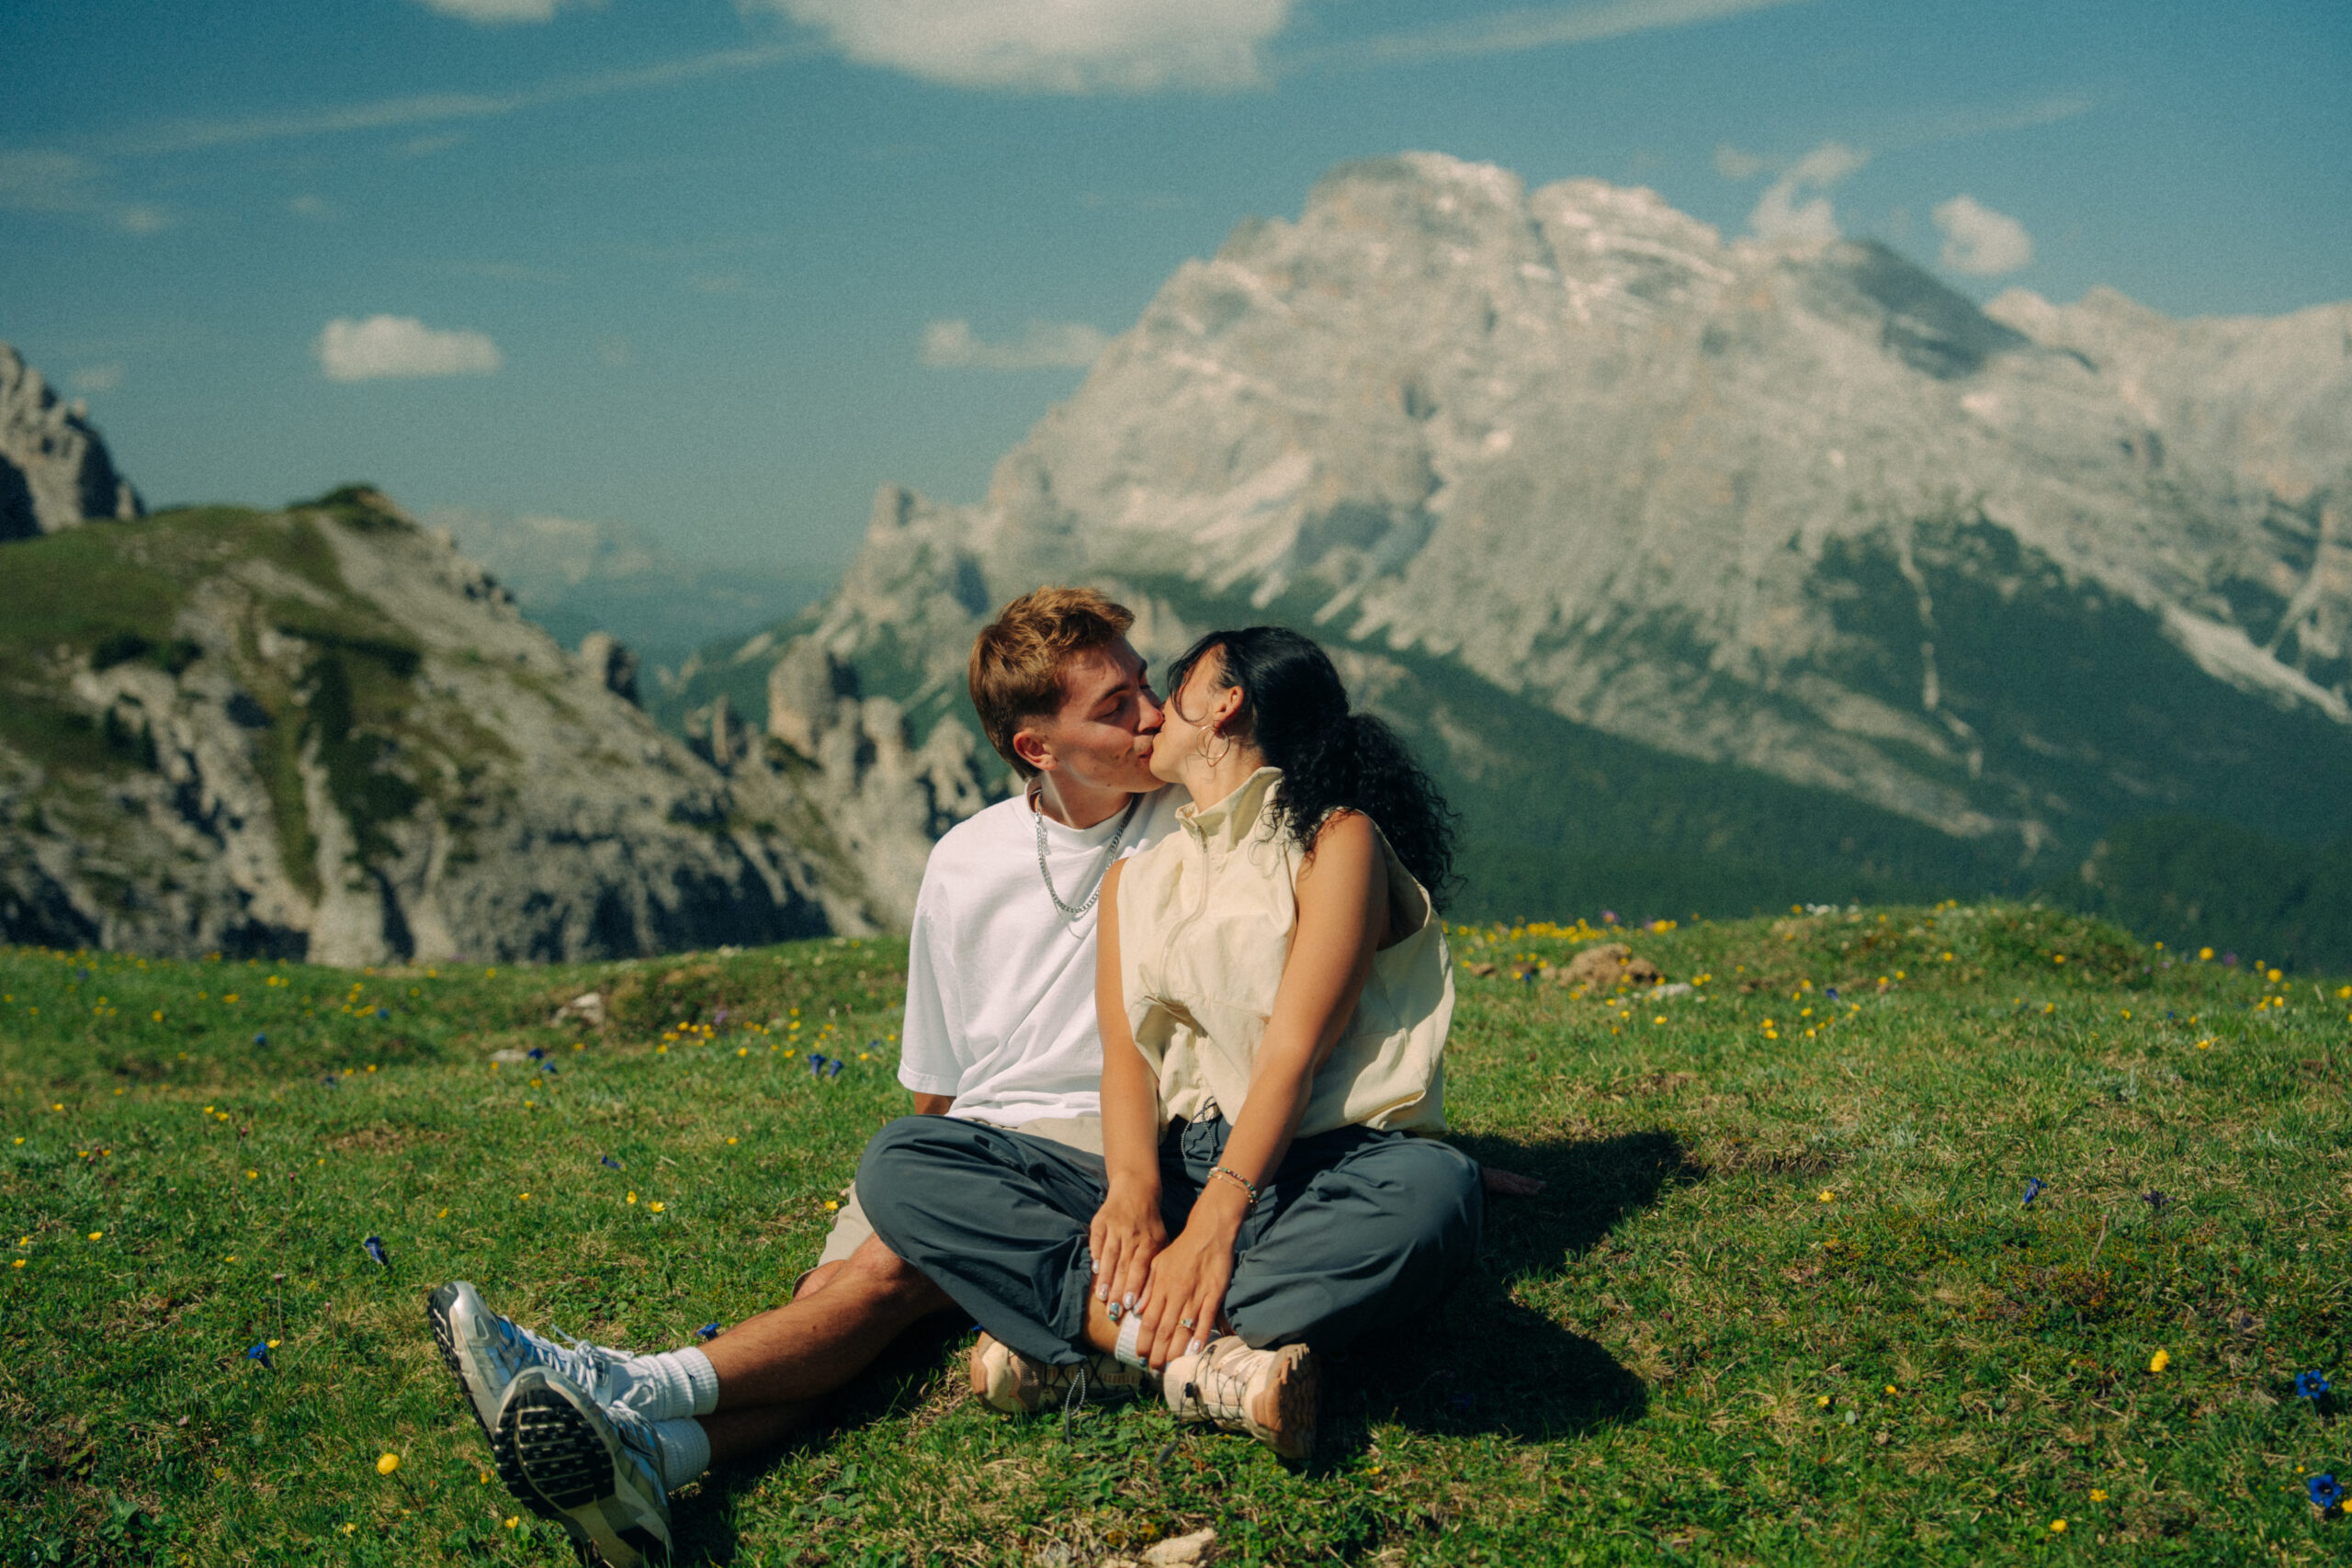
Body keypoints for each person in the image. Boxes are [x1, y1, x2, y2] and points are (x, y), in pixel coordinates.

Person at [427, 587, 1184, 1568]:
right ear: (1036, 747)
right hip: (969, 1140)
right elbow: (939, 1085)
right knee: (846, 1283)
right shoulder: (965, 860)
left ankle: (611, 1380)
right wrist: (917, 1192)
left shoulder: (1185, 824)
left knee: (876, 1278)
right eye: (1115, 706)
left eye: (1144, 685)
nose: (1154, 716)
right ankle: (651, 1462)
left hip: (1094, 1136)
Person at [855, 625, 1487, 1460]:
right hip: (1183, 1160)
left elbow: (1294, 1049)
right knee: (903, 1161)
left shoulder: (1338, 840)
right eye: (1132, 701)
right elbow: (1128, 1060)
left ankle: (1108, 1348)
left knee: (1435, 1192)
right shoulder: (1136, 875)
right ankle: (1199, 1355)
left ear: (1224, 705)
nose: (1154, 714)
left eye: (1171, 686)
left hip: (1320, 1165)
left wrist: (1215, 1224)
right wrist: (1132, 1193)